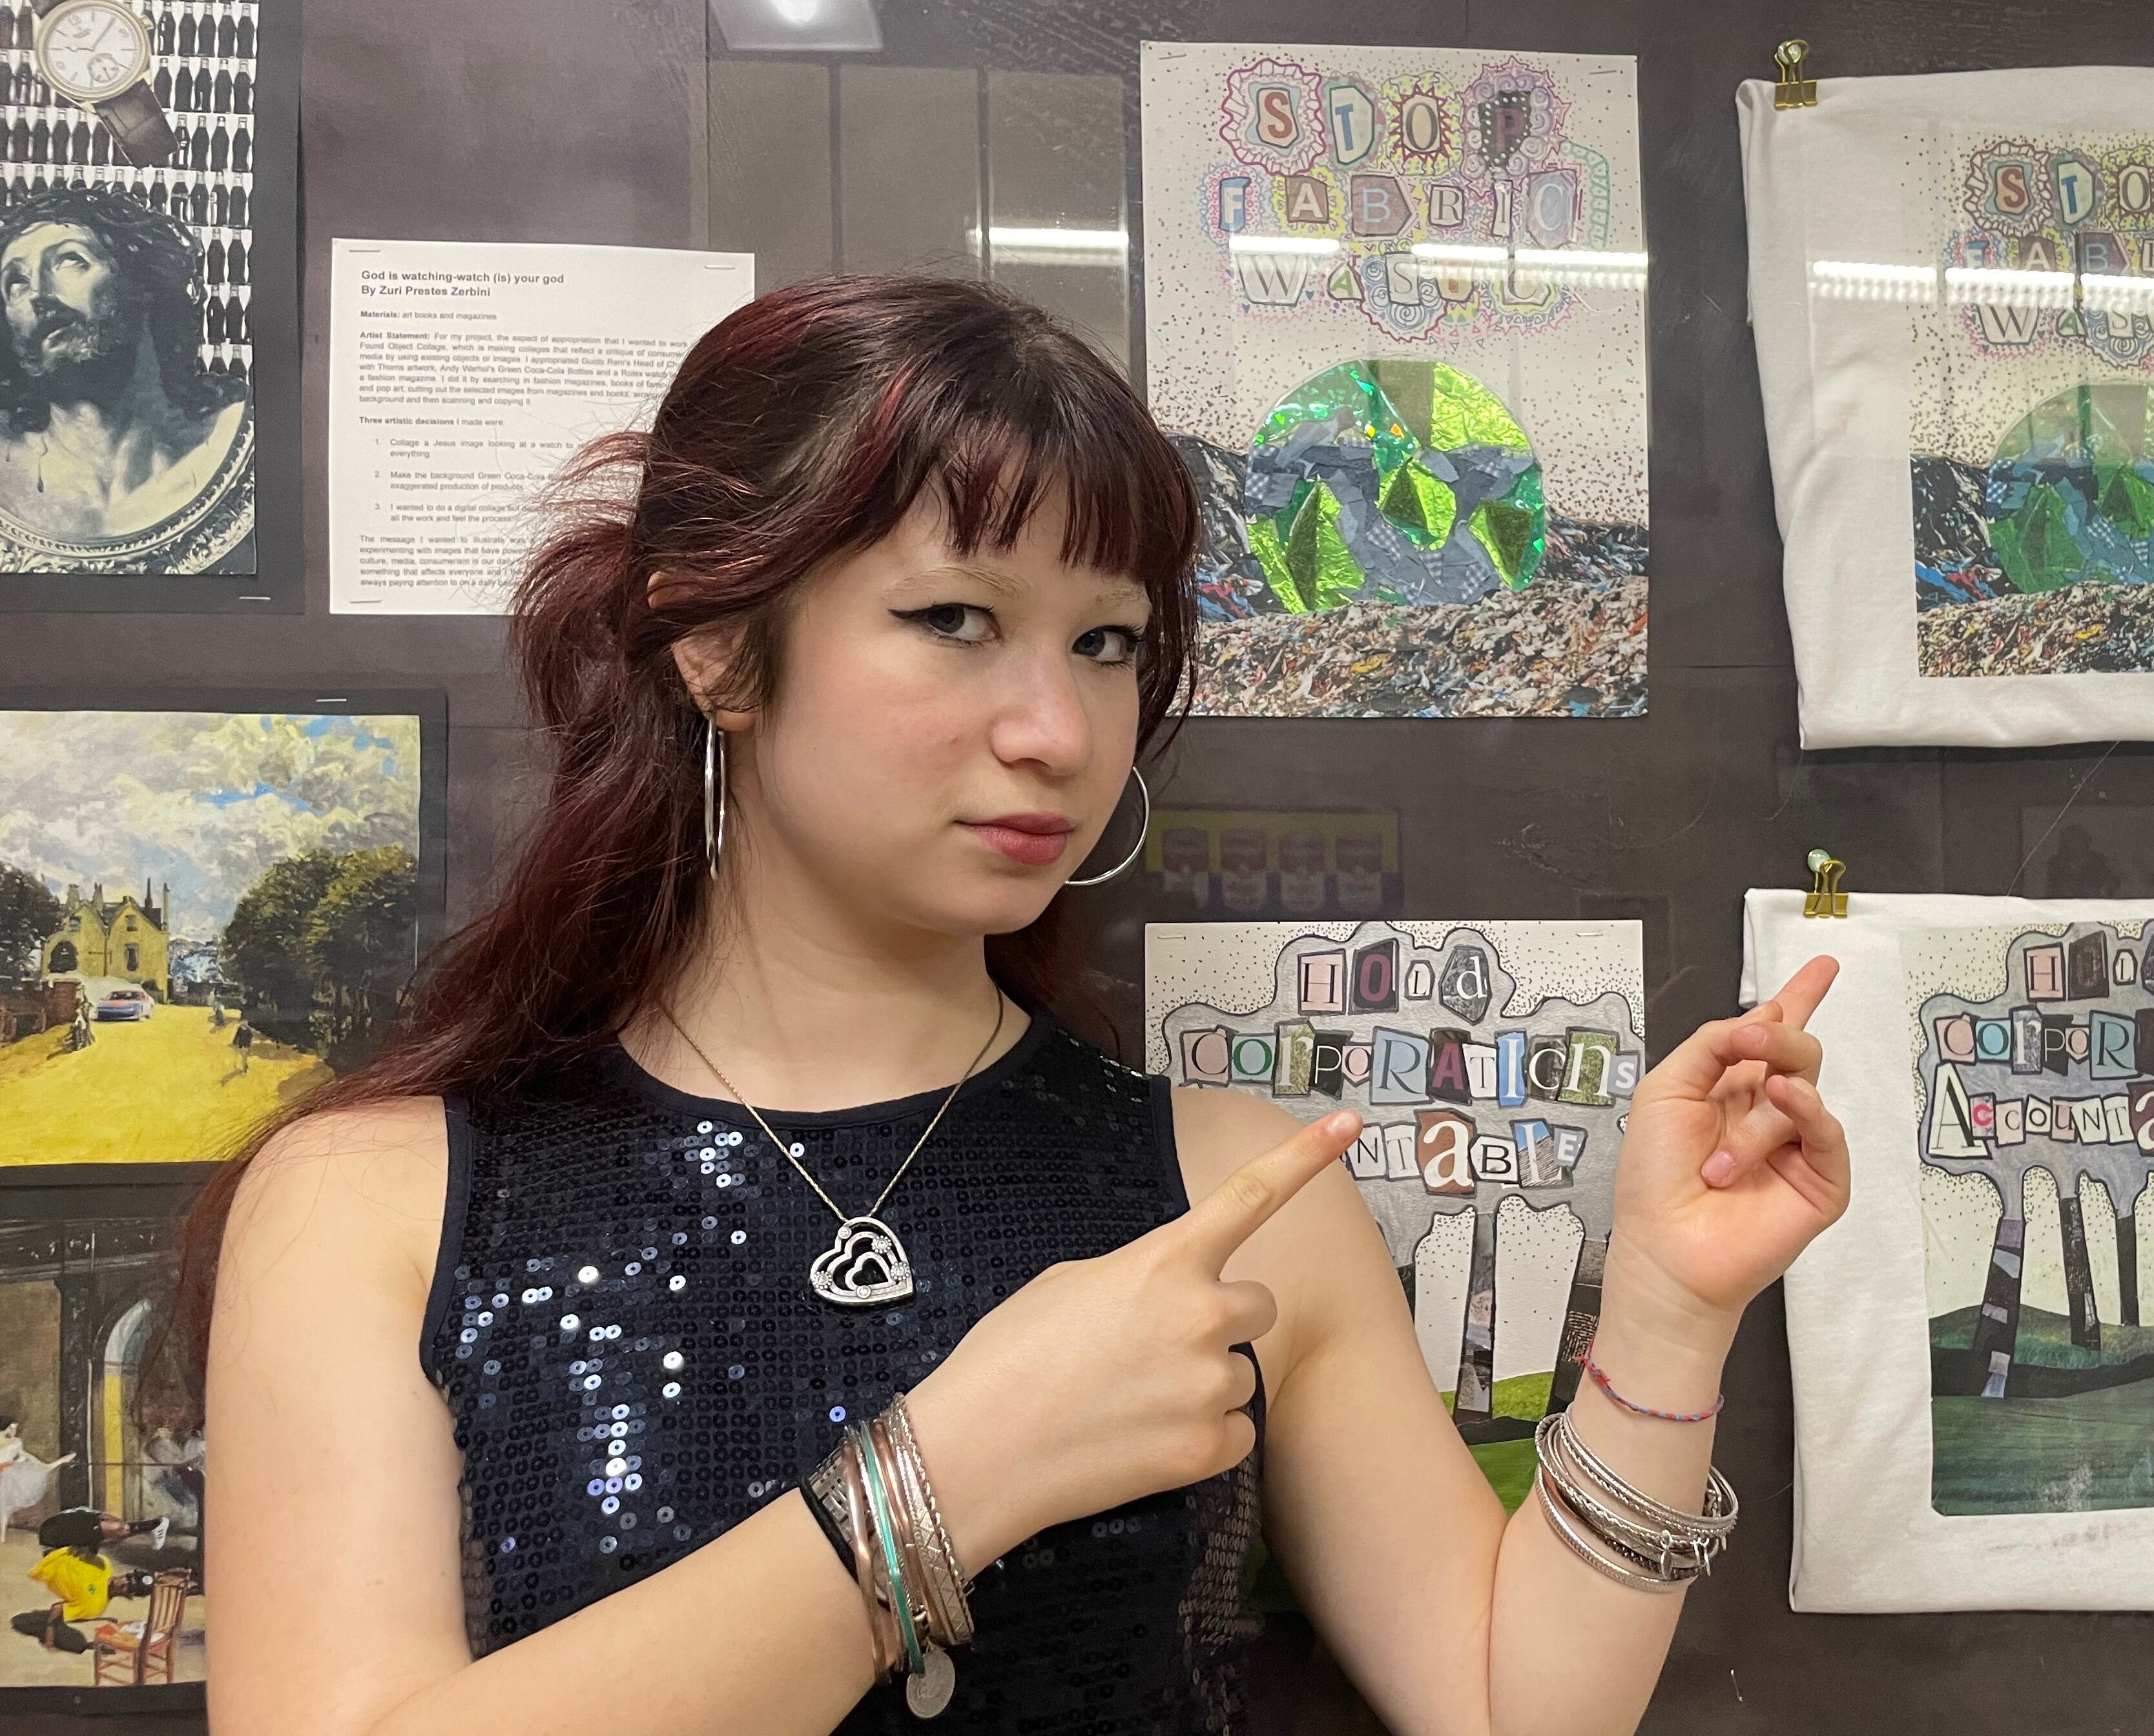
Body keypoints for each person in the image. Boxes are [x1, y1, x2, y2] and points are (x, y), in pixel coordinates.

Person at [164, 276, 1851, 1735]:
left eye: (1109, 644)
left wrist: (1668, 1316)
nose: (1055, 726)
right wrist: (949, 1477)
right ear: (716, 644)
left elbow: (1505, 1704)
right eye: (955, 620)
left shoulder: (1238, 1191)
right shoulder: (377, 1200)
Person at [0, 185, 253, 567]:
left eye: (71, 261)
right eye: (15, 282)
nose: (38, 293)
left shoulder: (242, 440)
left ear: (145, 285)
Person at [13, 1509, 152, 1653]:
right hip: (64, 1538)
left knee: (111, 1529)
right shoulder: (105, 1566)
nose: (124, 1583)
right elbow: (88, 1548)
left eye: (129, 1588)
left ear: (129, 1596)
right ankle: (143, 1525)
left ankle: (98, 1516)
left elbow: (57, 1608)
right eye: (128, 1578)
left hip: (51, 1545)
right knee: (112, 1531)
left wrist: (49, 1639)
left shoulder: (94, 1606)